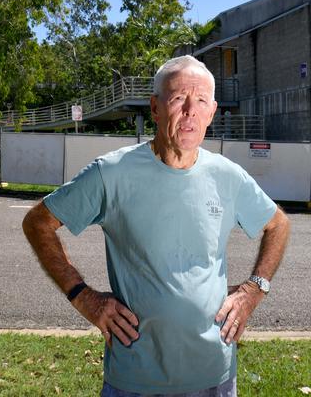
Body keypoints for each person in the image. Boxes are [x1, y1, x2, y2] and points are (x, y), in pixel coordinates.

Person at [22, 55, 290, 396]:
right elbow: (38, 223)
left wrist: (255, 289)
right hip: (135, 378)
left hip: (214, 375)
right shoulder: (112, 173)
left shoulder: (228, 176)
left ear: (212, 112)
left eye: (202, 101)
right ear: (155, 107)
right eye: (179, 98)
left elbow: (278, 225)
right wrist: (83, 297)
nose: (190, 111)